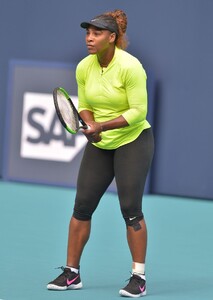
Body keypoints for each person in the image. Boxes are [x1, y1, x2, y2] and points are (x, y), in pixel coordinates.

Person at [47, 9, 154, 298]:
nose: (89, 38)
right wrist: (89, 122)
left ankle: (138, 277)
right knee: (81, 206)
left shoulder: (131, 67)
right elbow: (84, 103)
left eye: (96, 33)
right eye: (87, 33)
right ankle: (72, 273)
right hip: (101, 144)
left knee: (131, 210)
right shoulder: (84, 67)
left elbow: (139, 111)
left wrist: (101, 125)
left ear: (112, 37)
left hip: (133, 140)